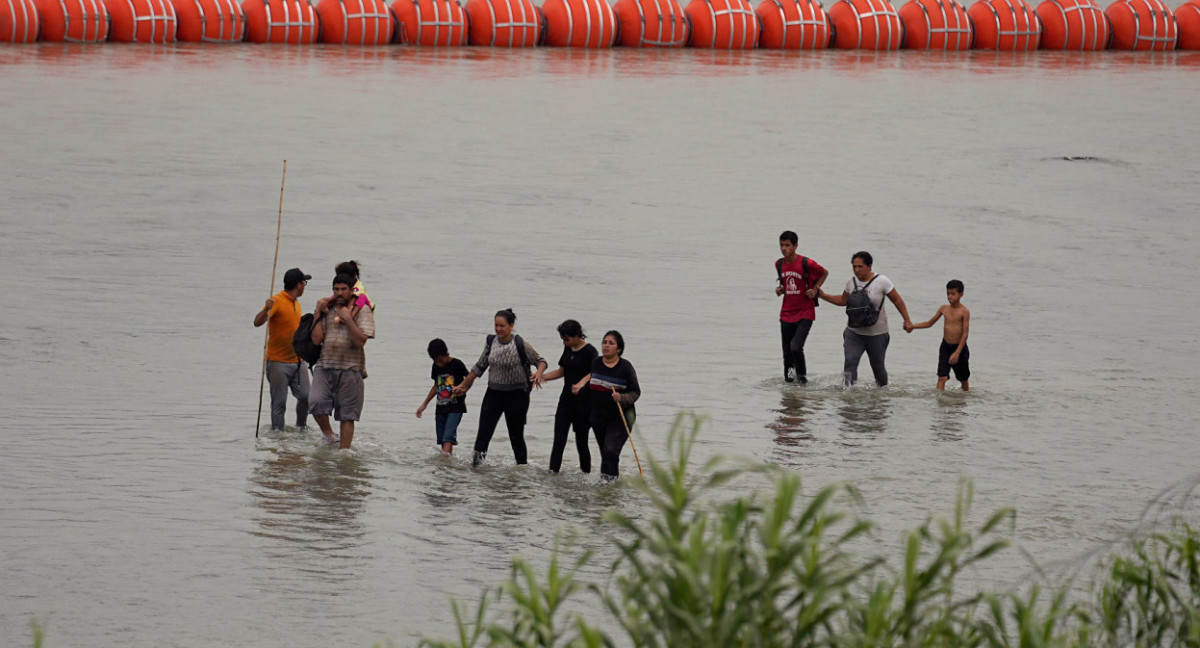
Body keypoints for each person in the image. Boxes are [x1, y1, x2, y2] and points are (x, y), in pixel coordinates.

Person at [453, 309, 548, 467]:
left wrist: (538, 373)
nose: (498, 329)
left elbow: (541, 360)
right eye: (496, 325)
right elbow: (479, 367)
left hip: (517, 396)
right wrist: (464, 386)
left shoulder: (520, 344)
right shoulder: (491, 342)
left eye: (502, 326)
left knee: (516, 436)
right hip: (494, 394)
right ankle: (476, 468)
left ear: (511, 325)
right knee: (483, 433)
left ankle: (522, 469)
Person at [817, 251, 913, 387]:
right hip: (854, 332)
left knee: (877, 367)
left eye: (860, 267)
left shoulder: (882, 281)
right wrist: (823, 295)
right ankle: (849, 394)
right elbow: (843, 300)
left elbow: (897, 300)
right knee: (850, 361)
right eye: (854, 267)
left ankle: (882, 395)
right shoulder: (851, 282)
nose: (857, 270)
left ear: (869, 266)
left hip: (877, 334)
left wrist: (907, 320)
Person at [309, 273, 376, 448]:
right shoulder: (327, 309)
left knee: (347, 415)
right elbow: (316, 340)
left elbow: (360, 341)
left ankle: (344, 452)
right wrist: (317, 312)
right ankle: (330, 435)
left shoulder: (363, 310)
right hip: (324, 365)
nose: (339, 293)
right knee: (315, 402)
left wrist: (347, 318)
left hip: (351, 368)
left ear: (351, 290)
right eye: (336, 289)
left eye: (343, 289)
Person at [573, 330, 640, 483]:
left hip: (621, 417)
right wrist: (580, 388)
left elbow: (636, 392)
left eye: (611, 343)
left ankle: (609, 484)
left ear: (619, 349)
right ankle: (608, 485)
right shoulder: (596, 363)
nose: (606, 346)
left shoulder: (625, 367)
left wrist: (622, 397)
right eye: (604, 342)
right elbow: (594, 383)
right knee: (606, 453)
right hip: (598, 416)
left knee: (611, 450)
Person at [253, 267, 312, 432]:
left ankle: (301, 428)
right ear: (299, 285)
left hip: (298, 361)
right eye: (304, 283)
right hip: (277, 362)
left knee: (306, 397)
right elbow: (257, 322)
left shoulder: (297, 304)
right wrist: (265, 309)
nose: (305, 286)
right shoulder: (277, 301)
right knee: (279, 403)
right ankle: (278, 436)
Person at [542, 320, 599, 474]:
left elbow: (596, 371)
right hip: (566, 402)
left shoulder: (590, 351)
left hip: (584, 404)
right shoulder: (568, 348)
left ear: (577, 335)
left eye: (566, 338)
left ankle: (586, 476)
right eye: (562, 339)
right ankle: (552, 475)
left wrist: (582, 383)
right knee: (559, 441)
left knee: (582, 443)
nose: (564, 342)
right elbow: (562, 371)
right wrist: (541, 377)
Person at [774, 230, 828, 384]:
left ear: (795, 246)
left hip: (805, 313)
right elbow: (786, 283)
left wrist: (816, 289)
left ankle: (803, 380)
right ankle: (789, 384)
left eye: (788, 245)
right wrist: (781, 289)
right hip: (786, 313)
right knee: (787, 353)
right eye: (782, 245)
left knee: (796, 347)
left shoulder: (806, 263)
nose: (784, 248)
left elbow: (824, 273)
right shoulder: (779, 264)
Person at [909, 280, 971, 391]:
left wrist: (957, 353)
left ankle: (964, 400)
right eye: (948, 293)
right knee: (942, 377)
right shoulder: (944, 308)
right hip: (946, 346)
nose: (949, 297)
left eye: (953, 294)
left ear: (961, 295)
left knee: (963, 378)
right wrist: (913, 326)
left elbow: (965, 334)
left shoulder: (964, 311)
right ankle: (940, 403)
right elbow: (929, 323)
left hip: (960, 348)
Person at [416, 338, 469, 455]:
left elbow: (469, 377)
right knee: (442, 439)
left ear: (447, 354)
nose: (439, 364)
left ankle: (445, 463)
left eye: (441, 360)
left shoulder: (457, 364)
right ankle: (447, 465)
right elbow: (436, 386)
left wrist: (463, 388)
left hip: (456, 407)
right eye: (436, 361)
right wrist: (424, 404)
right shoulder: (435, 366)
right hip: (440, 408)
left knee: (448, 437)